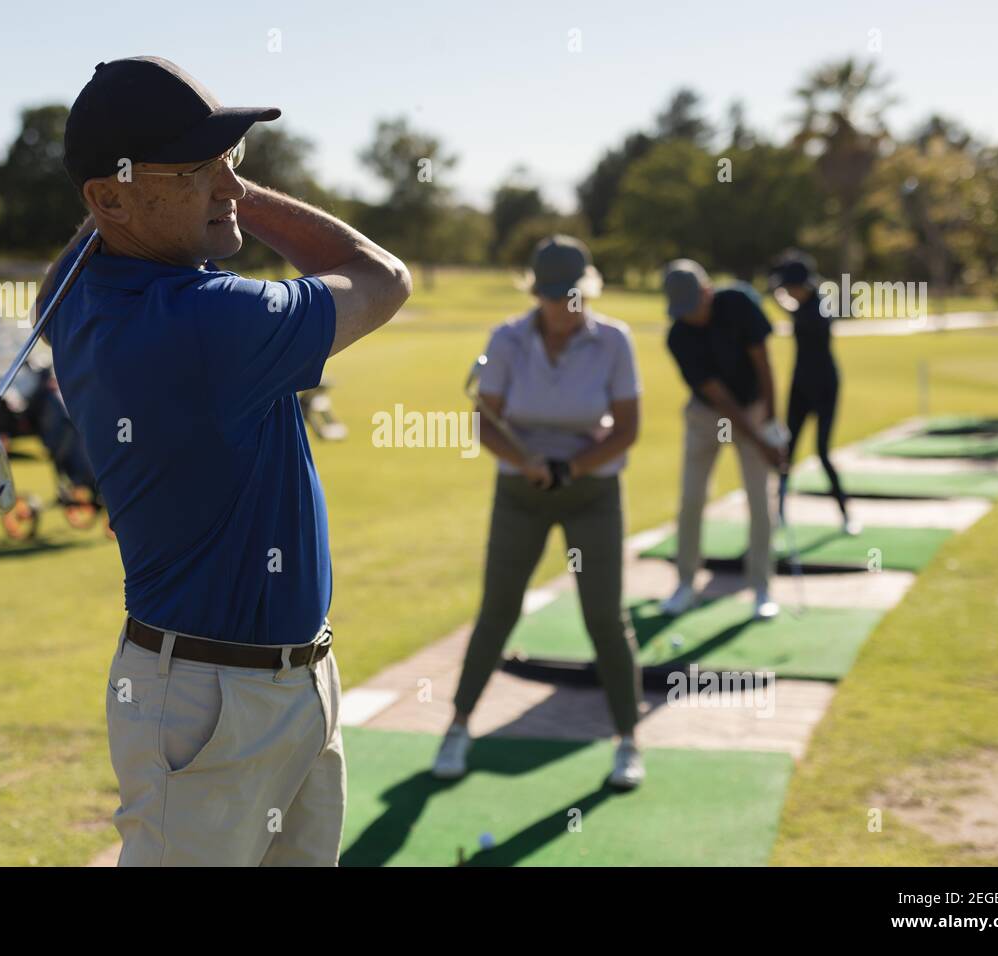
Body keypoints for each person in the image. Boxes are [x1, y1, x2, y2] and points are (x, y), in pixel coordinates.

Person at [41, 56, 411, 866]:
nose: (233, 190)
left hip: (278, 680)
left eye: (233, 166)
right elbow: (383, 278)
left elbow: (88, 239)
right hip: (211, 703)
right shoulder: (208, 322)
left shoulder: (76, 286)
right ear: (109, 198)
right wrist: (236, 192)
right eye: (200, 171)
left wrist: (193, 178)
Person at [431, 235, 644, 790]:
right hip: (521, 492)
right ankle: (457, 727)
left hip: (593, 492)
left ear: (586, 290)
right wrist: (526, 461)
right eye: (551, 296)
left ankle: (627, 740)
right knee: (498, 609)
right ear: (536, 292)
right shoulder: (507, 338)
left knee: (604, 616)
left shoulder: (615, 341)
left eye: (570, 295)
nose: (560, 307)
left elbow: (627, 429)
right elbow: (485, 422)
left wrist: (570, 468)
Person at [659, 259, 787, 620]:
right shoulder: (678, 336)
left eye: (693, 307)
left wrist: (773, 424)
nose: (689, 317)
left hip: (754, 404)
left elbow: (764, 365)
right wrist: (763, 444)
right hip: (707, 415)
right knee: (691, 497)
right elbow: (719, 398)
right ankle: (686, 583)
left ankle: (761, 587)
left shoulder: (740, 304)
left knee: (759, 499)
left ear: (707, 292)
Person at [769, 252, 860, 535]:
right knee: (788, 451)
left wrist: (779, 298)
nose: (788, 291)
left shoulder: (820, 307)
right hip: (799, 387)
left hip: (824, 387)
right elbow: (790, 307)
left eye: (790, 286)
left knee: (822, 452)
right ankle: (780, 514)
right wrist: (779, 295)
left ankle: (845, 513)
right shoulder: (803, 302)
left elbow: (801, 315)